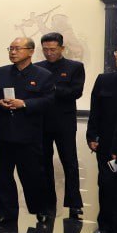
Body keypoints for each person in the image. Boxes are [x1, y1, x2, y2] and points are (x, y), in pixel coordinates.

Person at [0, 37, 55, 225]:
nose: (13, 52)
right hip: (3, 132)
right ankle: (6, 214)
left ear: (31, 51)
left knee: (33, 175)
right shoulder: (0, 72)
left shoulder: (43, 75)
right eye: (10, 48)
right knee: (2, 176)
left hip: (29, 134)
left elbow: (49, 101)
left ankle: (41, 209)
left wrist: (25, 103)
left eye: (17, 49)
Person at [35, 32, 85, 219]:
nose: (49, 53)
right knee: (43, 162)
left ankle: (74, 203)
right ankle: (48, 201)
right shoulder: (37, 68)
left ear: (62, 48)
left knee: (69, 161)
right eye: (45, 50)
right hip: (42, 121)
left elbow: (76, 92)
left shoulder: (75, 67)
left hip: (64, 122)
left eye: (53, 49)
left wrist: (53, 88)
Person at [86, 41, 117, 233]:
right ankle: (105, 226)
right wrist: (91, 136)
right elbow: (95, 111)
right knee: (106, 185)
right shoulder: (105, 80)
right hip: (107, 143)